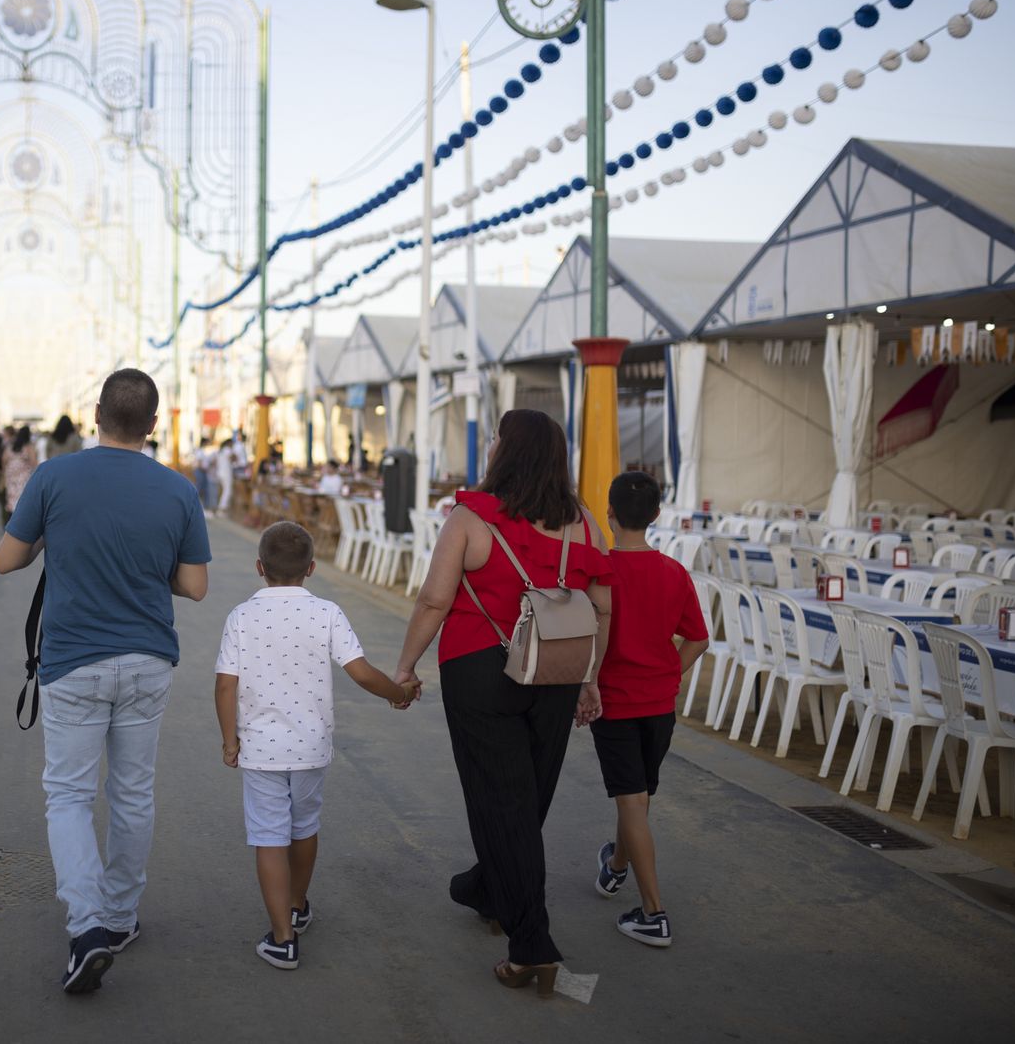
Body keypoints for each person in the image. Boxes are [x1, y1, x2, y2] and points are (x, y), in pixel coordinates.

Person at [0, 368, 210, 994]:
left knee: (68, 795)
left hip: (74, 663)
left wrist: (58, 542)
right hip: (147, 661)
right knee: (133, 793)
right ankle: (118, 918)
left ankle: (86, 923)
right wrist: (147, 566)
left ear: (95, 414)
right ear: (153, 423)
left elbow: (8, 558)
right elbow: (194, 585)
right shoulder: (177, 490)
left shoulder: (55, 476)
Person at [392, 409, 613, 999]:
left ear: (503, 451)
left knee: (500, 799)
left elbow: (435, 600)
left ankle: (531, 947)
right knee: (527, 794)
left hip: (479, 668)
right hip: (557, 669)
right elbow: (602, 607)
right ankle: (487, 889)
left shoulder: (471, 517)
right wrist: (590, 677)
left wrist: (406, 665)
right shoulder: (587, 524)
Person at [214, 521, 419, 970]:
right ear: (311, 568)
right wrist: (399, 693)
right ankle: (298, 904)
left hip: (261, 749)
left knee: (269, 837)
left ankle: (282, 938)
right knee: (304, 826)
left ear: (258, 567)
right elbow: (362, 671)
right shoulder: (327, 612)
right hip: (310, 745)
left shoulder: (240, 617)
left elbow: (225, 687)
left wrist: (231, 741)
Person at [588, 471, 708, 948]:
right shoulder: (674, 573)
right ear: (658, 515)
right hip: (659, 705)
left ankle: (654, 913)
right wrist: (670, 676)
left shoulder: (599, 572)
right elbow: (698, 638)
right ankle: (617, 866)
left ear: (609, 513)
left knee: (632, 799)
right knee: (636, 796)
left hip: (614, 700)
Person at [3, 425, 39, 523]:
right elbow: (34, 462)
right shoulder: (28, 447)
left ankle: (10, 523)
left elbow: (4, 460)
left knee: (11, 499)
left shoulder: (11, 446)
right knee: (22, 500)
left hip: (11, 476)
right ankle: (19, 524)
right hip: (23, 477)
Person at [215, 436, 235, 517]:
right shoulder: (227, 450)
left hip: (220, 473)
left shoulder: (221, 451)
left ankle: (221, 508)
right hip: (226, 473)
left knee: (224, 491)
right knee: (227, 491)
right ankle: (222, 509)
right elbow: (233, 458)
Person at [193, 437, 216, 510]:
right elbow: (199, 463)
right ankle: (197, 505)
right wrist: (204, 469)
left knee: (203, 488)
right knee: (200, 488)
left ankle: (202, 505)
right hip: (201, 471)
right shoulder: (200, 451)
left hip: (203, 471)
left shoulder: (203, 451)